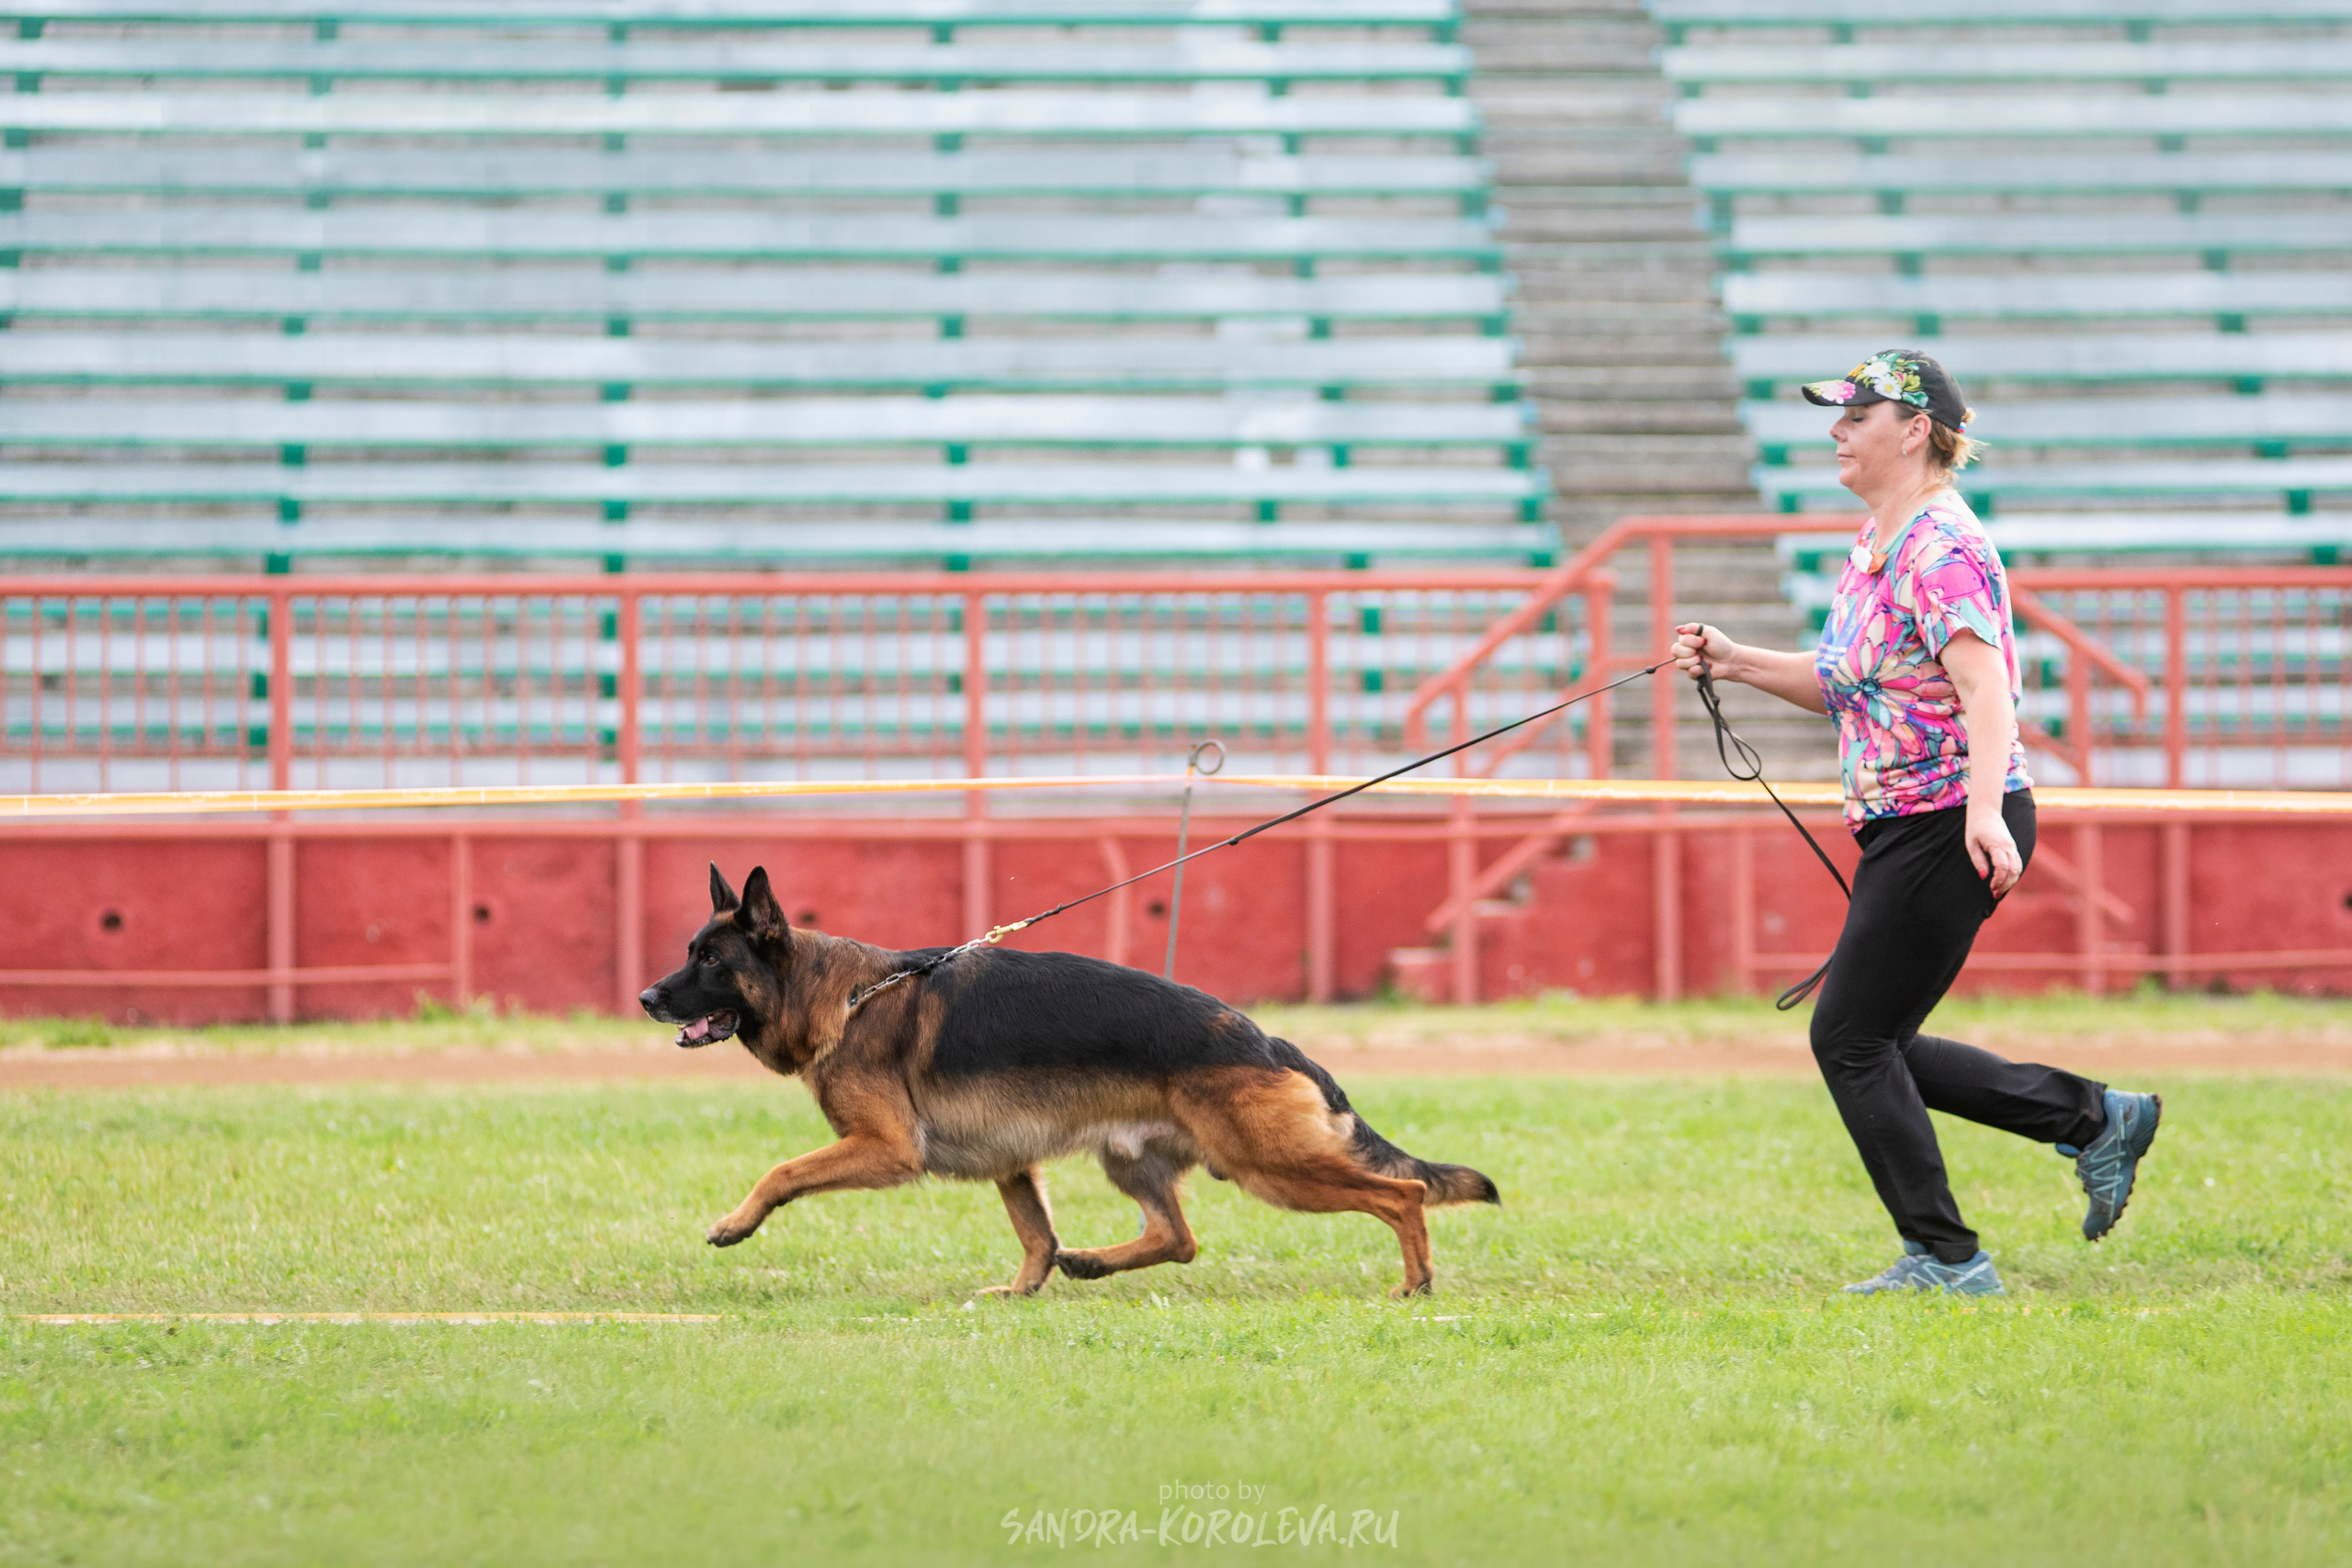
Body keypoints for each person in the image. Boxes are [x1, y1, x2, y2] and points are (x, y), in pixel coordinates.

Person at [1670, 350, 2161, 1297]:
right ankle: (2095, 1120)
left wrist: (1982, 816)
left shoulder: (1940, 547)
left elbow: (1988, 688)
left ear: (1915, 430)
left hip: (1948, 819)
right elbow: (1845, 682)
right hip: (1909, 820)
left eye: (1857, 416)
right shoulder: (1879, 541)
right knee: (1876, 1039)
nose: (1837, 430)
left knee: (1850, 1040)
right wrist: (1732, 661)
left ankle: (1947, 1257)